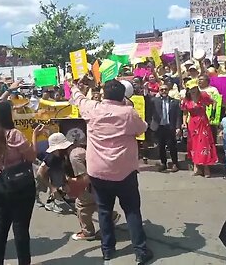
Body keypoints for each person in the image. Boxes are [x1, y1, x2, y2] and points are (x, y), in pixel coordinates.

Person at [70, 79, 153, 264]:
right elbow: (143, 128)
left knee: (104, 211)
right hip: (125, 172)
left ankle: (107, 250)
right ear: (123, 95)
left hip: (99, 172)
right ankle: (140, 251)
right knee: (132, 210)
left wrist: (75, 85)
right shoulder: (128, 112)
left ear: (104, 93)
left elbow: (77, 97)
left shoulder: (92, 108)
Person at [0, 100, 40, 265]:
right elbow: (31, 156)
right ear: (6, 115)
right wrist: (35, 136)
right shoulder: (14, 134)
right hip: (20, 183)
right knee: (21, 228)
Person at [38, 133, 121, 241]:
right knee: (94, 202)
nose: (53, 152)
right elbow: (41, 172)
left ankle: (88, 232)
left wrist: (68, 182)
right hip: (102, 179)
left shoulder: (74, 157)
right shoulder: (73, 151)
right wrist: (56, 187)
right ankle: (111, 216)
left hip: (96, 181)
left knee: (82, 205)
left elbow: (86, 179)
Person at [181, 82, 219, 178]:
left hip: (203, 122)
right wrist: (184, 122)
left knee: (204, 145)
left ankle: (206, 168)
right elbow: (185, 113)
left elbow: (214, 102)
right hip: (192, 123)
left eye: (194, 88)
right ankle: (196, 167)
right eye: (191, 89)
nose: (193, 90)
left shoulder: (203, 96)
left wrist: (213, 114)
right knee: (194, 145)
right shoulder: (186, 100)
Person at [150, 84, 182, 173]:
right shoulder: (154, 101)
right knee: (161, 146)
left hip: (170, 127)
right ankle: (163, 163)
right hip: (159, 127)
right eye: (161, 90)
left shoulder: (175, 102)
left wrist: (178, 127)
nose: (164, 91)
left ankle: (175, 163)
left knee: (172, 146)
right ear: (159, 91)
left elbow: (178, 116)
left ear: (168, 90)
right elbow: (147, 104)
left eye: (165, 89)